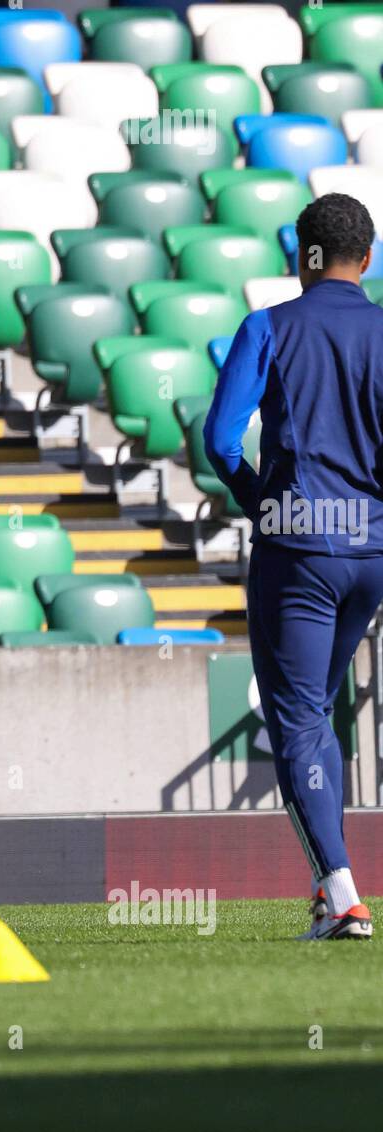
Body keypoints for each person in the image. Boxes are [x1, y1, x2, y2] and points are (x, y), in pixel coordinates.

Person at [204, 192, 383, 940]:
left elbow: (219, 439)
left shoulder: (267, 326)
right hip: (372, 553)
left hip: (299, 549)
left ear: (300, 256)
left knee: (301, 718)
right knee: (321, 711)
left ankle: (342, 894)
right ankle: (326, 886)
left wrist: (261, 505)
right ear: (367, 259)